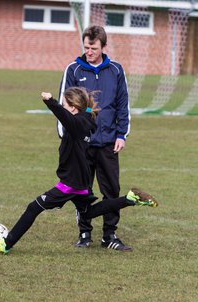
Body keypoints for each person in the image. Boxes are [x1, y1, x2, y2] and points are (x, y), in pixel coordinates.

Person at [0, 87, 158, 254]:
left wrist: (50, 101)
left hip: (70, 183)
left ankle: (6, 244)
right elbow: (81, 112)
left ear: (74, 108)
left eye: (65, 105)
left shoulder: (76, 125)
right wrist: (84, 105)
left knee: (34, 207)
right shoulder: (87, 119)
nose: (63, 108)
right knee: (88, 212)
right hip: (81, 181)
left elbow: (64, 117)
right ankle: (129, 199)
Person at [58, 25, 131, 251]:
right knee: (82, 190)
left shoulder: (116, 71)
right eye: (86, 47)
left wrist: (122, 135)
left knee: (111, 190)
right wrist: (66, 136)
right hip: (81, 144)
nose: (89, 51)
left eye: (93, 48)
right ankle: (84, 233)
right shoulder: (73, 69)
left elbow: (122, 105)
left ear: (103, 47)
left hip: (108, 142)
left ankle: (109, 235)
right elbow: (63, 106)